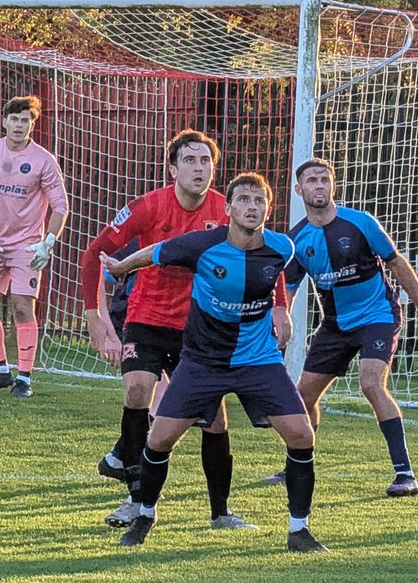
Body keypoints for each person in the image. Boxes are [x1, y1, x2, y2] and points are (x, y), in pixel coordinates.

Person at [101, 173, 326, 553]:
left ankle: (299, 531)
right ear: (229, 208)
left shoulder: (282, 247)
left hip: (258, 361)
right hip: (203, 361)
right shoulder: (202, 245)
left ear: (268, 209)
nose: (252, 206)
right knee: (159, 440)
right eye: (244, 200)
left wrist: (280, 308)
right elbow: (154, 252)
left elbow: (275, 276)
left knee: (302, 435)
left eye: (259, 201)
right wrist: (122, 268)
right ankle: (145, 517)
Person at [79, 129, 255, 531]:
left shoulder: (226, 210)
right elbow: (93, 254)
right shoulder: (148, 206)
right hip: (147, 318)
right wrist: (94, 316)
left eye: (205, 161)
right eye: (189, 160)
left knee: (214, 420)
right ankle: (136, 502)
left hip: (199, 327)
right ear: (173, 169)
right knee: (137, 390)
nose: (199, 168)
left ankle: (221, 513)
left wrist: (277, 308)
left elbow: (262, 251)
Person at [266, 158, 418, 496]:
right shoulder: (297, 239)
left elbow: (396, 263)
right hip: (335, 325)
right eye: (311, 180)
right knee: (303, 396)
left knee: (370, 383)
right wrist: (281, 322)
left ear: (333, 185)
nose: (319, 185)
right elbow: (287, 291)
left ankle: (405, 474)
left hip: (377, 315)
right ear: (299, 190)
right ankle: (297, 466)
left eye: (324, 179)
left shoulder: (360, 222)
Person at [0, 95, 68, 399]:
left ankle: (24, 378)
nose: (19, 125)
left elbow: (60, 205)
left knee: (22, 307)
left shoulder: (43, 160)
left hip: (27, 247)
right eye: (14, 119)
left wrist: (48, 242)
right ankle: (0, 370)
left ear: (32, 125)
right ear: (4, 122)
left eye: (26, 120)